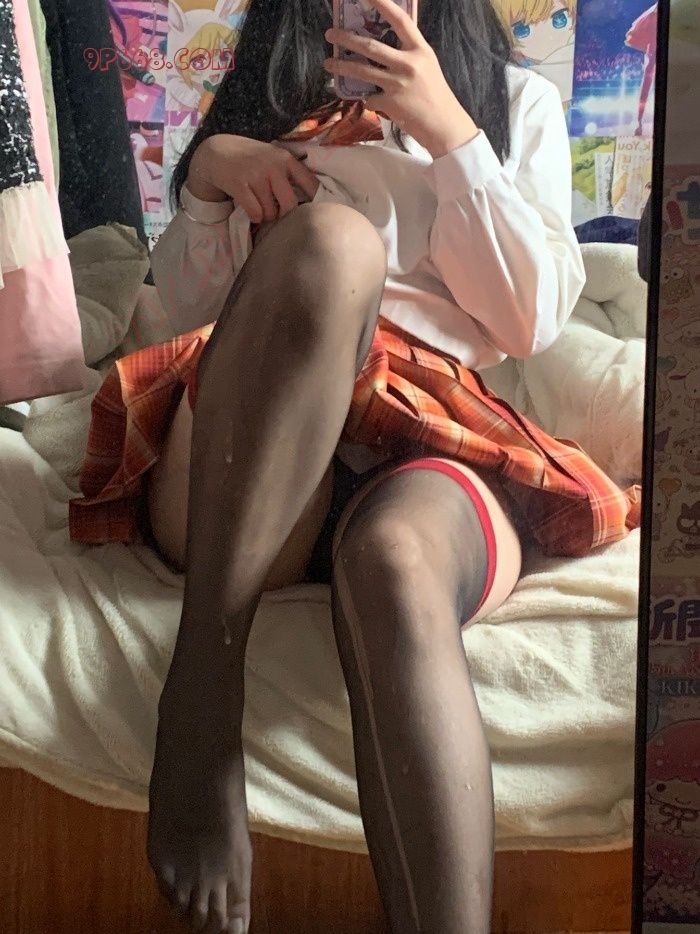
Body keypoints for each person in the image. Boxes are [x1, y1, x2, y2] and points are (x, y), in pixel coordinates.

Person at [68, 0, 640, 930]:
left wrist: (449, 132)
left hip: (431, 438)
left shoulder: (512, 104)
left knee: (395, 563)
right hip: (253, 455)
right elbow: (189, 322)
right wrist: (210, 178)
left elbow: (530, 320)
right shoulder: (269, 103)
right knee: (334, 245)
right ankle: (203, 697)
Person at [625, 2, 658, 136]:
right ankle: (638, 120)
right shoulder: (654, 15)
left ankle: (639, 120)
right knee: (647, 80)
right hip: (654, 41)